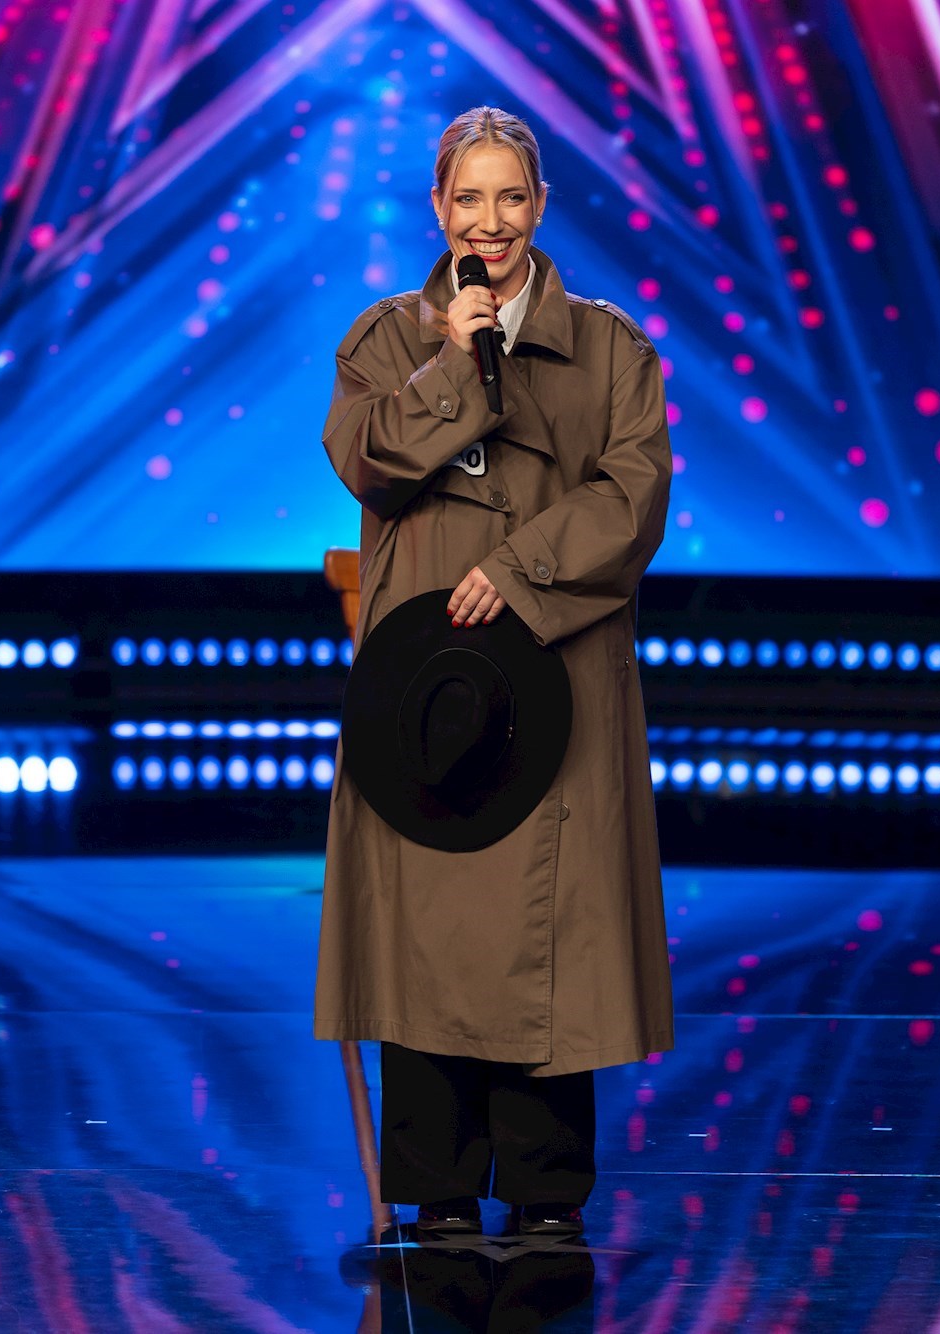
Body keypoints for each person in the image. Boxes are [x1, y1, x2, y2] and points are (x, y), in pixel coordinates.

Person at [316, 105, 674, 1237]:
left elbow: (632, 498)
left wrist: (520, 571)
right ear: (437, 208)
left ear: (540, 205)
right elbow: (366, 461)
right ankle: (437, 1186)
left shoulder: (611, 348)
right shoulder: (387, 339)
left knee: (550, 927)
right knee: (427, 924)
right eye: (467, 198)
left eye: (509, 196)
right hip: (426, 687)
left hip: (555, 676)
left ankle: (543, 1189)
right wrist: (448, 364)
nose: (489, 221)